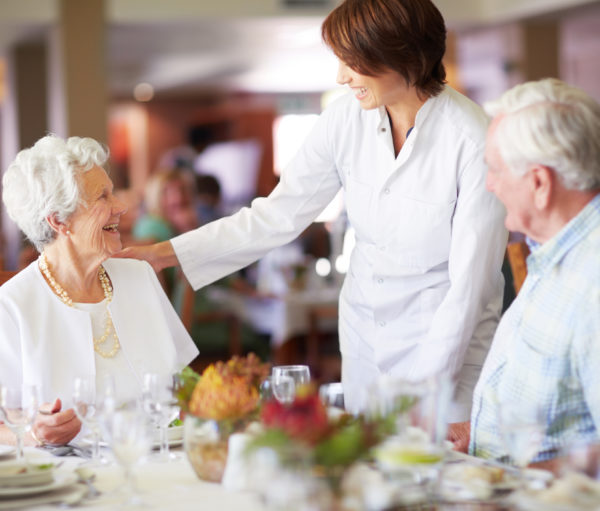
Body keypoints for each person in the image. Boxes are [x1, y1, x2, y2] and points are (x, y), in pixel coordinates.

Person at [118, 0, 507, 423]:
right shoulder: (344, 119)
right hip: (364, 342)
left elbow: (468, 289)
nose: (342, 77)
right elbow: (275, 216)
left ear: (403, 54)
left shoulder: (473, 140)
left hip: (443, 353)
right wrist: (162, 254)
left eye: (352, 61)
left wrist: (426, 398)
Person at [0, 135, 198, 447]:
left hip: (160, 459)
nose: (121, 206)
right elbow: (4, 424)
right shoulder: (12, 306)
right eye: (102, 197)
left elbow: (184, 385)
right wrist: (36, 432)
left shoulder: (139, 277)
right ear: (59, 221)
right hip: (68, 480)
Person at [468, 78, 600, 463]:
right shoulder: (552, 251)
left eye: (495, 170)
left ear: (540, 183)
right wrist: (478, 436)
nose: (490, 185)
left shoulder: (593, 282)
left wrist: (515, 482)